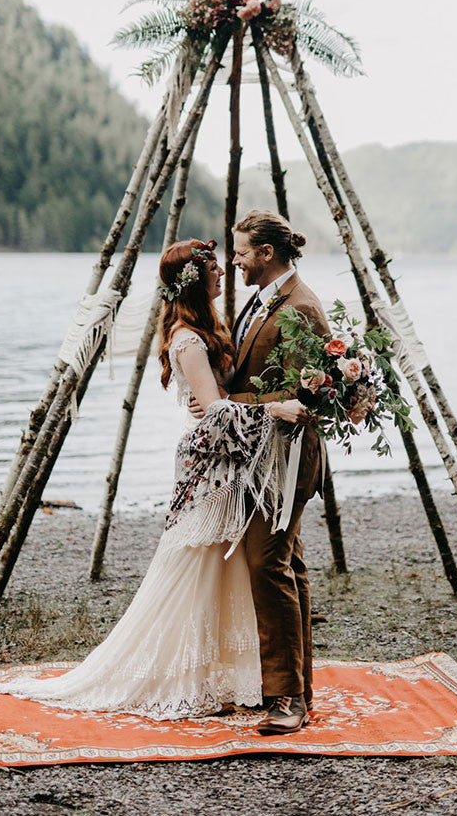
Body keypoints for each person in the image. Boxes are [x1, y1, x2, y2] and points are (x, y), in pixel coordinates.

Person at [0, 238, 307, 720]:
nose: (224, 274)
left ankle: (231, 673)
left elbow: (220, 398)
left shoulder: (211, 325)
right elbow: (216, 412)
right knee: (191, 568)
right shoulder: (188, 339)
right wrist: (271, 408)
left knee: (223, 569)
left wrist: (227, 399)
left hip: (230, 461)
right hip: (210, 465)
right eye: (215, 269)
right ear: (195, 282)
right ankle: (173, 670)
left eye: (223, 264)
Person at [190, 210, 329, 735]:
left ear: (266, 253)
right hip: (259, 456)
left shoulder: (304, 309)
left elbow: (304, 396)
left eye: (241, 251)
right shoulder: (264, 297)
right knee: (286, 564)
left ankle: (287, 699)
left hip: (286, 461)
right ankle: (298, 686)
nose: (235, 261)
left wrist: (226, 401)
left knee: (269, 564)